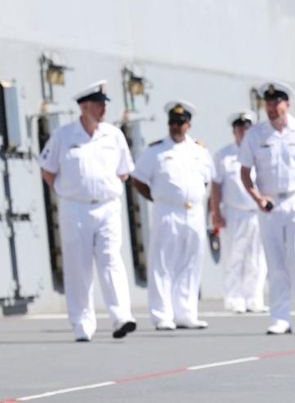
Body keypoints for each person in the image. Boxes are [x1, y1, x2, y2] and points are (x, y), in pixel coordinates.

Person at [39, 80, 137, 342]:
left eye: (104, 104)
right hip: (75, 208)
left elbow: (124, 171)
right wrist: (69, 191)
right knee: (78, 265)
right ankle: (82, 322)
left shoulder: (113, 135)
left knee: (111, 259)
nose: (103, 108)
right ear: (83, 106)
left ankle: (121, 316)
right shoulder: (63, 136)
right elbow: (47, 171)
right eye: (98, 104)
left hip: (107, 206)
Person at [239, 81, 295, 335]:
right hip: (270, 204)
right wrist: (257, 198)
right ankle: (279, 317)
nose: (272, 108)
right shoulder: (255, 134)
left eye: (277, 102)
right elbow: (244, 171)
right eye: (268, 103)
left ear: (287, 104)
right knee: (274, 261)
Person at [132, 101, 215, 330]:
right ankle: (162, 315)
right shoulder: (156, 150)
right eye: (172, 122)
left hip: (194, 212)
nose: (176, 126)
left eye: (180, 122)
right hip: (167, 211)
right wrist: (158, 197)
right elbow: (138, 179)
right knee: (162, 263)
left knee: (191, 262)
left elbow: (207, 179)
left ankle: (186, 313)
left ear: (188, 124)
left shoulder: (200, 150)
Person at [211, 111, 268, 313]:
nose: (243, 132)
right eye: (240, 128)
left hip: (257, 212)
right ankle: (234, 298)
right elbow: (216, 186)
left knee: (257, 258)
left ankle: (254, 298)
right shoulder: (224, 155)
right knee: (234, 256)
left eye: (247, 128)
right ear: (234, 131)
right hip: (234, 213)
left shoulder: (260, 152)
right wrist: (215, 212)